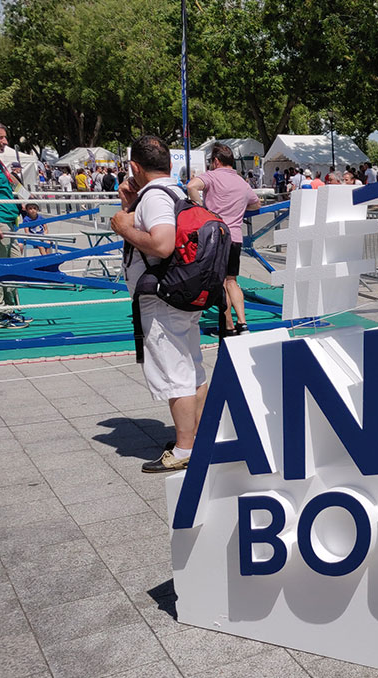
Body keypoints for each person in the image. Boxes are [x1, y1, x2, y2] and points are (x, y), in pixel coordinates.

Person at [112, 135, 209, 473]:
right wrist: (130, 205)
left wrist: (123, 225)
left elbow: (163, 244)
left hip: (162, 296)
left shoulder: (154, 198)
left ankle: (184, 448)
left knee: (174, 374)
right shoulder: (177, 190)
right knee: (192, 368)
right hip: (184, 291)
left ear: (135, 167)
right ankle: (196, 436)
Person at [186, 142, 259, 337]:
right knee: (232, 281)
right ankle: (242, 323)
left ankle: (228, 326)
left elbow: (191, 186)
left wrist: (201, 208)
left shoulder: (212, 176)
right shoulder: (242, 182)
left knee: (218, 283)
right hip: (235, 236)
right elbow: (256, 203)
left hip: (216, 236)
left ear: (216, 161)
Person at [0, 119, 30, 329]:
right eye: (0, 137)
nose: (4, 141)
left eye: (5, 137)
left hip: (10, 221)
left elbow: (13, 184)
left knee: (13, 268)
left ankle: (11, 310)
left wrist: (27, 199)